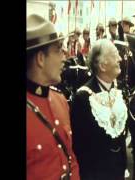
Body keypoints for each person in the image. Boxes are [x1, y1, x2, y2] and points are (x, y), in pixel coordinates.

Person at [26, 14, 80, 180]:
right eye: (58, 51)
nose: (64, 58)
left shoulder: (60, 99)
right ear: (41, 59)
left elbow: (70, 157)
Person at [71, 39, 128, 180]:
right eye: (115, 55)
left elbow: (120, 137)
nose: (120, 59)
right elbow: (79, 147)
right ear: (103, 65)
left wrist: (123, 168)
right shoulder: (82, 97)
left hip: (117, 172)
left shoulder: (118, 91)